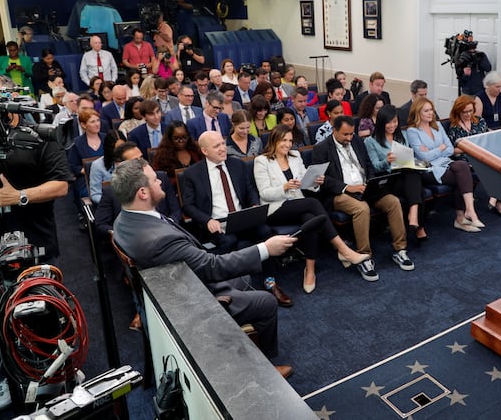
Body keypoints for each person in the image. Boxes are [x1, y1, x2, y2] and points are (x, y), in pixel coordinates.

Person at [111, 157, 294, 372]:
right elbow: (212, 267)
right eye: (155, 179)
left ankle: (237, 345)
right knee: (266, 302)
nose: (161, 181)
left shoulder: (124, 220)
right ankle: (264, 369)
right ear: (142, 193)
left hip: (173, 285)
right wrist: (265, 249)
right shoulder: (157, 239)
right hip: (190, 301)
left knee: (244, 277)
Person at [0, 73, 72, 411]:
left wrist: (19, 196)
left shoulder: (38, 134)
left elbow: (61, 185)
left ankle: (52, 370)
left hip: (35, 241)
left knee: (42, 309)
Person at [181, 132, 292, 307]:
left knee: (265, 231)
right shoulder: (192, 174)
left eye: (222, 143)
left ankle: (271, 282)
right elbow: (188, 205)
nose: (222, 148)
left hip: (242, 217)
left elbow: (250, 190)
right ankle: (232, 289)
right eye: (216, 146)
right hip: (218, 223)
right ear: (204, 150)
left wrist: (255, 205)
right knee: (229, 240)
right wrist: (207, 220)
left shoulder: (237, 165)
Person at [254, 125, 370, 293]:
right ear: (274, 140)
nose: (287, 144)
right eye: (283, 140)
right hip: (275, 209)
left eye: (290, 141)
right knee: (313, 204)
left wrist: (315, 183)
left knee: (312, 220)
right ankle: (343, 249)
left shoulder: (295, 156)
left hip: (298, 205)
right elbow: (265, 193)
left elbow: (306, 185)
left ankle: (310, 269)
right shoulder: (262, 161)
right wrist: (285, 187)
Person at [312, 116, 413, 282]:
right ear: (334, 131)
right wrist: (347, 187)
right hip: (340, 194)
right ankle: (364, 256)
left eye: (351, 134)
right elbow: (321, 179)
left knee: (393, 202)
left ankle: (400, 250)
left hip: (364, 188)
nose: (349, 138)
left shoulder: (358, 141)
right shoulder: (321, 148)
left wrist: (371, 182)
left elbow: (368, 166)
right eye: (345, 135)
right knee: (362, 208)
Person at [406, 97, 484, 232]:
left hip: (445, 163)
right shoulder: (413, 131)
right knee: (463, 175)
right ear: (418, 112)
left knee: (462, 166)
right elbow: (425, 157)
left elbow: (450, 149)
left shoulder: (437, 126)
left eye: (431, 110)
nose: (431, 113)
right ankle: (464, 215)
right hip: (428, 169)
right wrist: (440, 148)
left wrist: (435, 150)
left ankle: (467, 212)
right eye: (426, 111)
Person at [365, 105, 429, 242]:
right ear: (381, 122)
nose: (392, 125)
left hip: (406, 174)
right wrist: (386, 161)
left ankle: (413, 216)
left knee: (413, 176)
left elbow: (408, 157)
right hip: (390, 179)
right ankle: (418, 224)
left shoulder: (402, 136)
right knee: (417, 187)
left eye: (395, 121)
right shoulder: (371, 141)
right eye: (388, 122)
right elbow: (375, 167)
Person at [447, 94, 501, 217]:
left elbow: (487, 139)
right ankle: (495, 198)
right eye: (464, 112)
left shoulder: (479, 121)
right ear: (458, 111)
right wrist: (469, 149)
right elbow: (452, 150)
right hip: (465, 159)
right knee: (493, 167)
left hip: (481, 155)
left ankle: (497, 199)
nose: (468, 114)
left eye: (470, 111)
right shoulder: (454, 127)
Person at [68, 108, 104, 202]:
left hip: (108, 178)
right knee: (88, 193)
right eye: (92, 122)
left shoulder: (107, 138)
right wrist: (91, 171)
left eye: (98, 120)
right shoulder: (77, 143)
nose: (97, 124)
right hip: (87, 180)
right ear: (83, 125)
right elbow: (73, 166)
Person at [152, 121, 203, 187]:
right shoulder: (162, 155)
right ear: (169, 138)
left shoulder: (196, 150)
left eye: (184, 137)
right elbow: (159, 178)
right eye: (176, 138)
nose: (181, 141)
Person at [88, 129, 127, 204]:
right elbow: (95, 194)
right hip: (111, 204)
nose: (121, 151)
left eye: (123, 147)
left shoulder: (131, 159)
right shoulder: (97, 165)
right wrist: (113, 203)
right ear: (110, 149)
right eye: (117, 148)